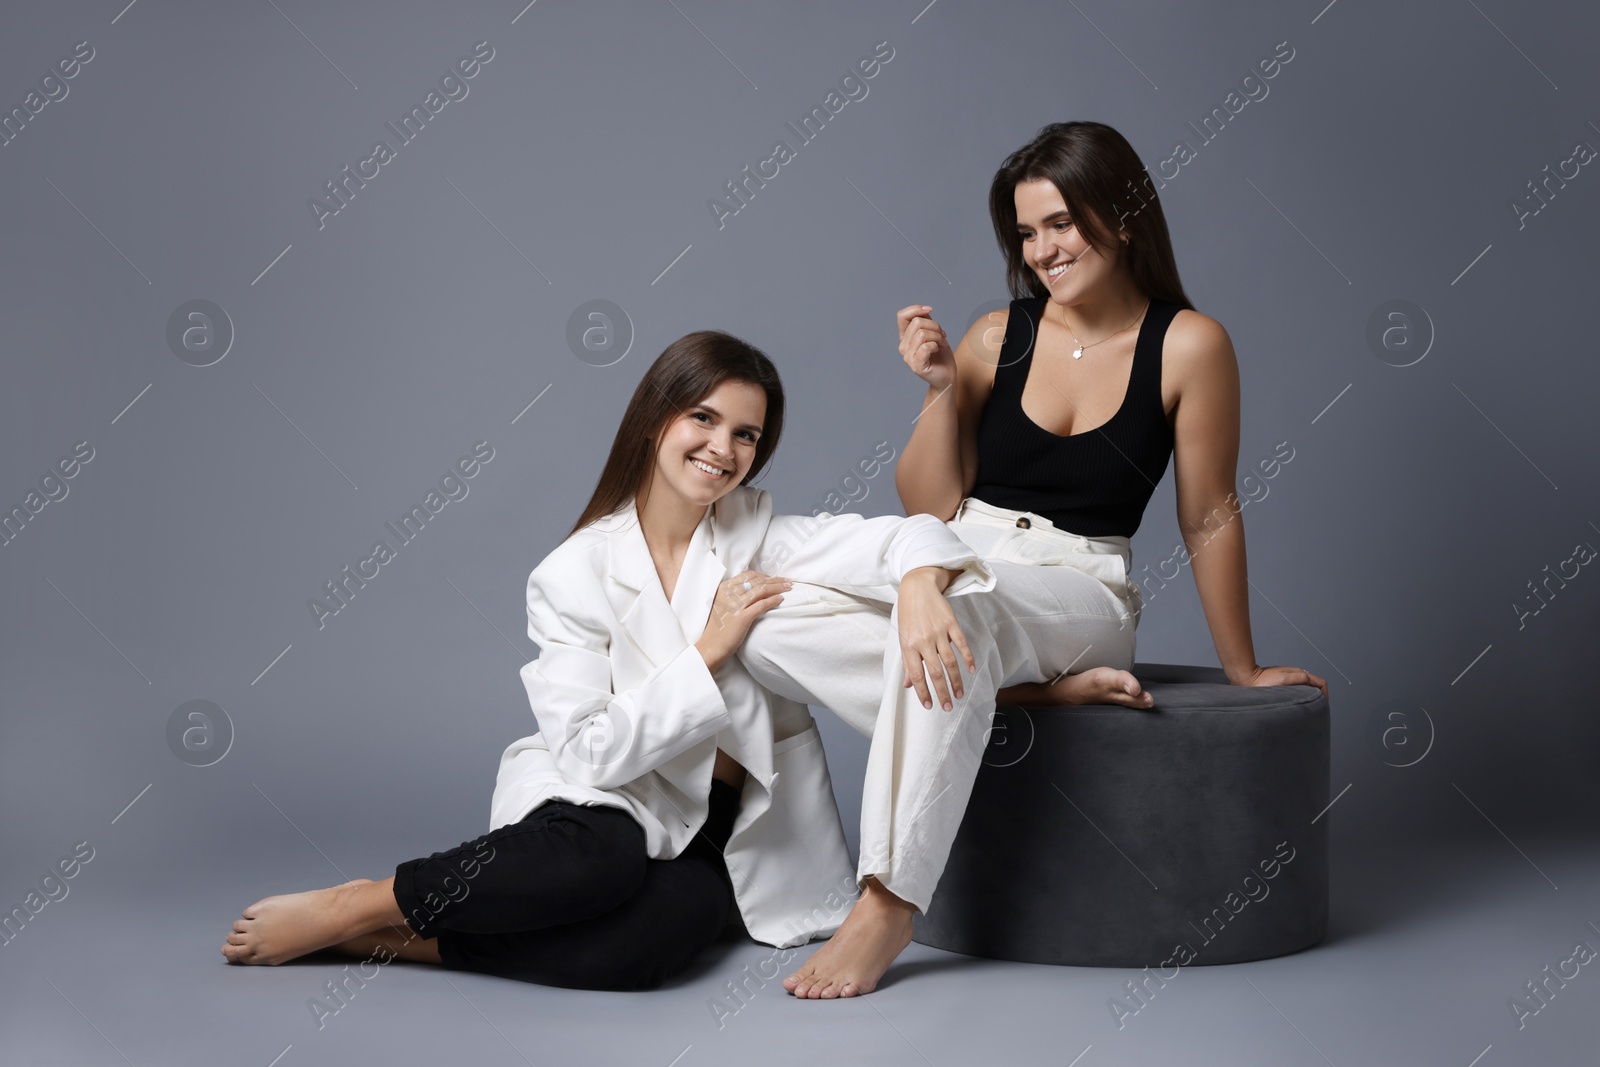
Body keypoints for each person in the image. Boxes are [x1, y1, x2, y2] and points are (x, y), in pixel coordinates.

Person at [734, 120, 1329, 999]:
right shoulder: (990, 338)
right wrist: (942, 392)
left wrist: (1240, 664)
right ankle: (1024, 694)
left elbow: (1208, 510)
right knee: (763, 614)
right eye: (1027, 232)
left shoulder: (1189, 344)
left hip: (1080, 586)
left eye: (1063, 223)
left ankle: (889, 898)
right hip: (956, 551)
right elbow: (929, 506)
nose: (1044, 250)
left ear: (1121, 216)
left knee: (955, 616)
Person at [219, 330, 995, 991]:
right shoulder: (572, 572)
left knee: (660, 938)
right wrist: (707, 650)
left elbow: (909, 534)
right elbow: (589, 751)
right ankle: (357, 903)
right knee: (603, 859)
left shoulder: (763, 539)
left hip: (715, 829)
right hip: (603, 799)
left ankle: (390, 940)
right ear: (658, 418)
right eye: (703, 417)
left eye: (746, 435)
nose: (722, 449)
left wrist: (923, 586)